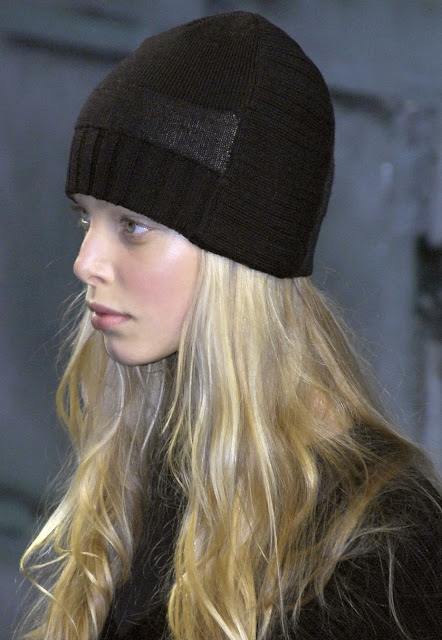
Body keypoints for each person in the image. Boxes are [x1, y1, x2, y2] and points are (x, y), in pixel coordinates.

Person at [19, 11, 441, 640]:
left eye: (132, 225)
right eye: (87, 218)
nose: (85, 262)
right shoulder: (150, 465)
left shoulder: (377, 548)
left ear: (238, 257)